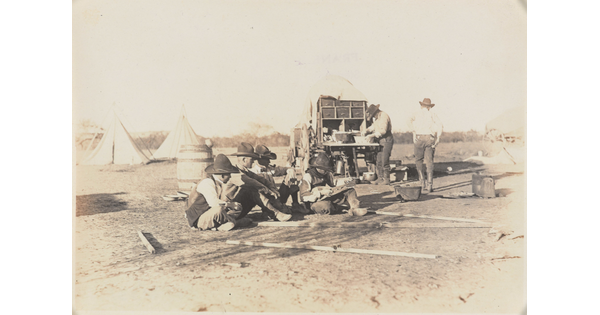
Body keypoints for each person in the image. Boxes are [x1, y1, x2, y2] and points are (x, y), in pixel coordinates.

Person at [227, 142, 293, 222]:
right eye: (251, 159)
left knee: (254, 189)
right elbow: (251, 182)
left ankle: (272, 212)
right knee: (252, 190)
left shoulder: (246, 171)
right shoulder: (235, 173)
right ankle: (276, 213)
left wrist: (271, 188)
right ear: (244, 160)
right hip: (228, 211)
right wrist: (267, 190)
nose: (254, 162)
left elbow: (260, 179)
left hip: (238, 208)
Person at [184, 154, 248, 231]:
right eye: (229, 174)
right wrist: (230, 205)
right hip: (197, 219)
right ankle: (234, 223)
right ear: (222, 175)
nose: (230, 177)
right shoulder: (207, 182)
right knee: (219, 209)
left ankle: (222, 224)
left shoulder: (216, 183)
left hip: (207, 213)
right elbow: (214, 203)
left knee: (236, 207)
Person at [299, 152, 366, 216]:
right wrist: (321, 193)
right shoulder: (308, 176)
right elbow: (304, 196)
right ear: (317, 167)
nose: (326, 171)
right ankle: (341, 207)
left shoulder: (326, 174)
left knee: (350, 190)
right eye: (324, 169)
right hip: (314, 202)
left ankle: (355, 208)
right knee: (327, 206)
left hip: (326, 197)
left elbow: (334, 183)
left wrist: (345, 181)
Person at [251, 145, 309, 214]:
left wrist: (290, 170)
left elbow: (281, 170)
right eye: (267, 159)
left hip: (277, 197)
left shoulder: (269, 169)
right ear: (259, 159)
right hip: (267, 201)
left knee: (290, 174)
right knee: (286, 212)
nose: (269, 161)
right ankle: (274, 210)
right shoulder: (253, 172)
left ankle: (295, 204)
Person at [407, 98, 443, 193]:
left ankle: (422, 183)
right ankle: (430, 185)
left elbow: (408, 121)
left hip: (419, 137)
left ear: (422, 105)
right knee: (429, 161)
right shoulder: (432, 114)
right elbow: (440, 125)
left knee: (418, 160)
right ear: (429, 107)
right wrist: (438, 137)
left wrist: (413, 131)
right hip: (429, 138)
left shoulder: (416, 113)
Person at [361, 104, 394, 185]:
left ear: (376, 112)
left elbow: (383, 131)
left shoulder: (383, 116)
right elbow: (373, 126)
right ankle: (380, 178)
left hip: (386, 139)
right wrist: (367, 130)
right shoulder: (377, 119)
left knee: (384, 159)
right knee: (378, 160)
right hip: (379, 140)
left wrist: (371, 135)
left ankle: (386, 179)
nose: (373, 117)